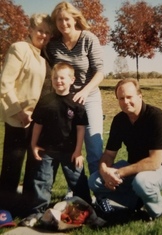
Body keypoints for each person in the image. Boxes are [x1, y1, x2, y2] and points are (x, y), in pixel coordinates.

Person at [89, 78, 162, 221]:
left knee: (142, 182)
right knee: (94, 181)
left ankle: (156, 214)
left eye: (129, 97)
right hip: (133, 167)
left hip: (161, 169)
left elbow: (154, 162)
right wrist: (104, 171)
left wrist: (118, 173)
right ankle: (135, 203)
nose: (125, 102)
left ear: (140, 96)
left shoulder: (156, 117)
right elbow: (109, 154)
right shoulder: (119, 120)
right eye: (121, 98)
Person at [20, 62, 91, 227]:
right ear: (51, 79)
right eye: (55, 78)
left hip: (70, 151)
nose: (58, 81)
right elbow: (37, 125)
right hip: (48, 151)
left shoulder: (77, 101)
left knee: (78, 181)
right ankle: (36, 212)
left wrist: (78, 151)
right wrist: (34, 144)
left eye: (62, 78)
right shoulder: (46, 101)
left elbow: (81, 129)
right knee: (42, 182)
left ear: (72, 80)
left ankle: (86, 210)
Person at [0, 13, 53, 214]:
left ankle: (26, 208)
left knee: (33, 165)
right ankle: (4, 210)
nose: (44, 35)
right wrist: (19, 111)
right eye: (40, 30)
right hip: (18, 119)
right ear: (30, 30)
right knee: (12, 167)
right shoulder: (19, 48)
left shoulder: (41, 56)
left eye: (47, 32)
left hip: (36, 121)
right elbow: (5, 84)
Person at [47, 1, 104, 177]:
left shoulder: (88, 38)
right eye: (58, 20)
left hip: (90, 98)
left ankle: (99, 195)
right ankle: (76, 190)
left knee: (94, 147)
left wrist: (85, 91)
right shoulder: (53, 44)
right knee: (70, 146)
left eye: (66, 19)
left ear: (75, 19)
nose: (63, 23)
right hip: (66, 101)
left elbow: (100, 72)